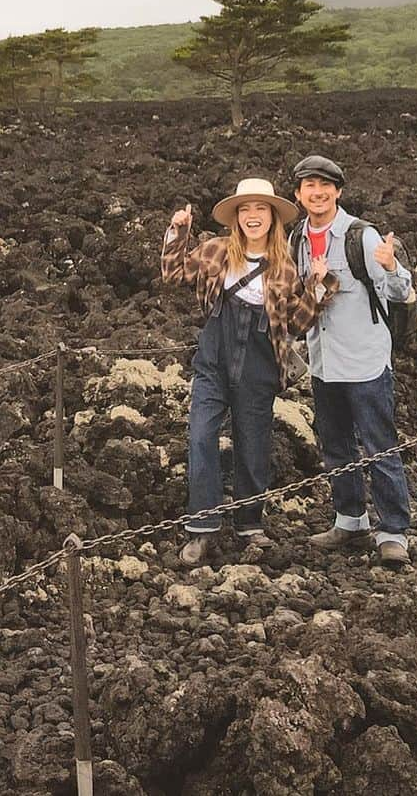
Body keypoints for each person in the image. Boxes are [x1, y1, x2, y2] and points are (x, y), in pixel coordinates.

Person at [161, 177, 337, 565]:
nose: (252, 216)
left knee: (254, 444)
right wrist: (178, 232)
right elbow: (173, 275)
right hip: (214, 359)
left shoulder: (285, 268)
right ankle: (202, 528)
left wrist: (320, 287)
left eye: (261, 209)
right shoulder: (216, 251)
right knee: (202, 436)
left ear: (273, 217)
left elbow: (297, 324)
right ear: (236, 217)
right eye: (245, 209)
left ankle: (249, 525)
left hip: (259, 363)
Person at [290, 154, 414, 567]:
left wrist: (391, 266)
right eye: (309, 185)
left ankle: (394, 531)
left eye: (325, 185)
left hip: (365, 361)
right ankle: (351, 519)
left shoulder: (360, 235)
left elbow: (399, 293)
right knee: (336, 447)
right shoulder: (297, 241)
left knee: (379, 445)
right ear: (298, 194)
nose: (318, 192)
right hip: (324, 362)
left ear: (338, 191)